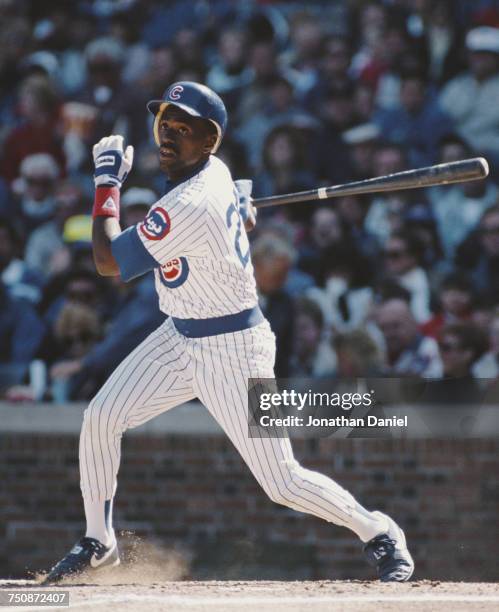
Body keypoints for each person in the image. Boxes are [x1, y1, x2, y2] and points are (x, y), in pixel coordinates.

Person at [43, 81, 413, 584]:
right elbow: (225, 196)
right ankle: (98, 540)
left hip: (234, 350)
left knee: (281, 481)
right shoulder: (211, 176)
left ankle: (378, 530)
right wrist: (239, 205)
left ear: (209, 140)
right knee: (102, 416)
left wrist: (107, 182)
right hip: (179, 335)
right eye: (164, 124)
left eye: (184, 128)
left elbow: (107, 261)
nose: (167, 136)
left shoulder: (192, 201)